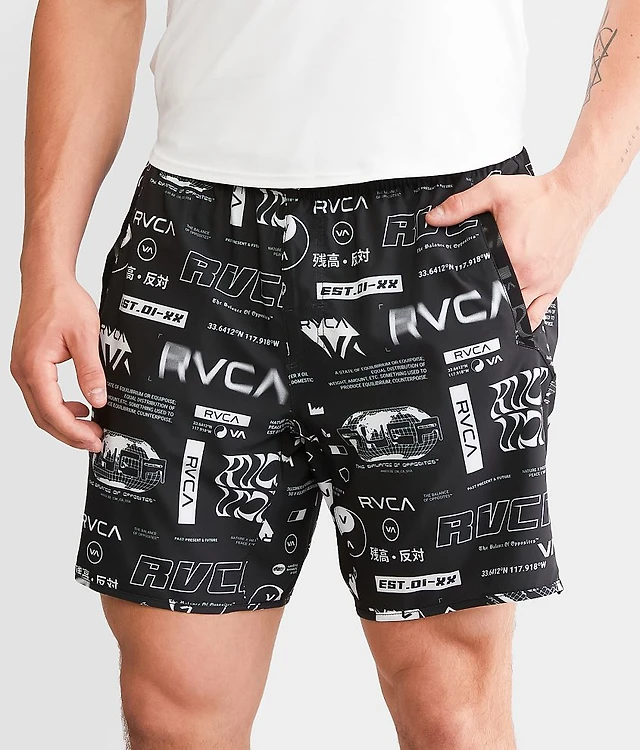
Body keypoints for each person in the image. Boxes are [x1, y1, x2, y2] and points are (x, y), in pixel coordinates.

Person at [10, 1, 638, 748]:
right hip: (193, 246)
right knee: (172, 714)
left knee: (451, 710)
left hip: (440, 236)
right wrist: (45, 262)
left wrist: (577, 196)